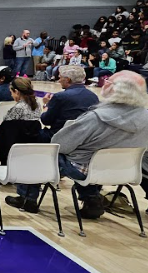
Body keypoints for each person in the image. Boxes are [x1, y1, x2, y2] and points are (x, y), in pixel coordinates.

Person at [11, 71, 148, 219]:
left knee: (40, 154)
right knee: (88, 160)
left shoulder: (96, 117)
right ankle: (91, 199)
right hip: (126, 170)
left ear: (114, 90)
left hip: (86, 168)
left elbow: (60, 144)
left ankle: (27, 199)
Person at [39, 65, 99, 141]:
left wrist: (46, 105)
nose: (59, 80)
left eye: (60, 77)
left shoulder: (60, 96)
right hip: (85, 137)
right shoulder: (93, 96)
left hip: (59, 137)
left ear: (67, 79)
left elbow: (46, 121)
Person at [0, 77, 42, 142]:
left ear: (17, 92)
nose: (11, 95)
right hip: (31, 140)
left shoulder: (18, 108)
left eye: (11, 92)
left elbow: (4, 130)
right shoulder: (37, 103)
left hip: (13, 141)